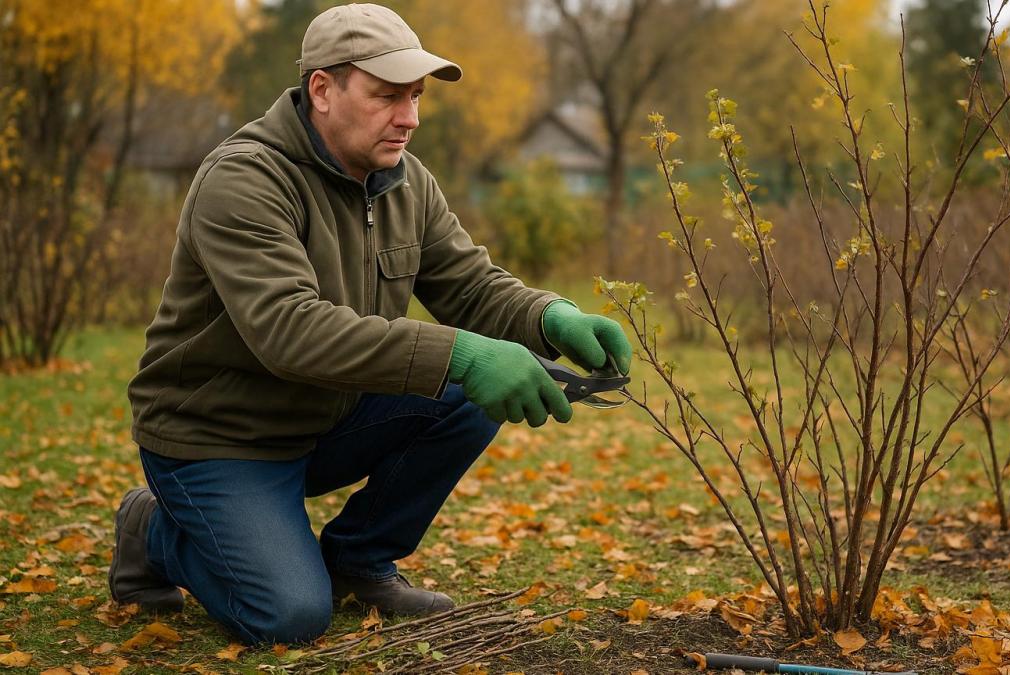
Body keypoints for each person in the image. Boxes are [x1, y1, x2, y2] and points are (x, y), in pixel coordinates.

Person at [109, 3, 632, 646]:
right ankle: (151, 531)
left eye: (415, 97)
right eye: (387, 96)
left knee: (469, 392)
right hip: (221, 437)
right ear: (322, 90)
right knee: (289, 616)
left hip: (328, 419)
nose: (409, 117)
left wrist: (551, 317)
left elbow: (469, 286)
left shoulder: (405, 181)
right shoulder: (244, 178)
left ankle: (357, 561)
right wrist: (465, 354)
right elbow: (289, 330)